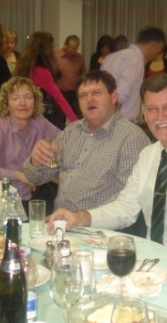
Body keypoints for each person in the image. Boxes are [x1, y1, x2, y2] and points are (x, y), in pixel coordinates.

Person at [49, 73, 167, 266]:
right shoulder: (149, 155)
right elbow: (125, 208)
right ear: (144, 113)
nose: (160, 116)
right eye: (152, 109)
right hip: (159, 261)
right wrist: (80, 217)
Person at [23, 70, 150, 216]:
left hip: (99, 227)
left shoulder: (131, 138)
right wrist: (35, 162)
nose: (89, 100)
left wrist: (83, 218)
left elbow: (129, 202)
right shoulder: (70, 132)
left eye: (96, 93)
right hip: (60, 221)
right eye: (83, 96)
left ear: (114, 96)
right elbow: (36, 178)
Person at [0, 77, 59, 214]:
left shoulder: (39, 122)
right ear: (6, 104)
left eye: (28, 97)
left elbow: (65, 140)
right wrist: (17, 175)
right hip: (1, 201)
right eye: (15, 98)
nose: (22, 103)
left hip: (31, 196)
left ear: (35, 101)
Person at [15, 31, 77, 130]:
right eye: (52, 47)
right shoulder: (42, 72)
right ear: (46, 50)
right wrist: (76, 123)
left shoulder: (23, 68)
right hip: (41, 121)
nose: (54, 50)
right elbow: (59, 99)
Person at [101, 27, 165, 122]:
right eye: (159, 51)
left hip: (107, 118)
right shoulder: (134, 60)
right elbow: (121, 96)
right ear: (152, 45)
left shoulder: (113, 56)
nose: (158, 56)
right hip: (121, 121)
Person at [53, 34, 86, 118]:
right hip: (60, 93)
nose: (74, 51)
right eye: (72, 48)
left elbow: (83, 76)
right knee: (59, 119)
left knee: (79, 118)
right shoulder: (55, 56)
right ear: (65, 45)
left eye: (76, 48)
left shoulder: (79, 58)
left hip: (75, 94)